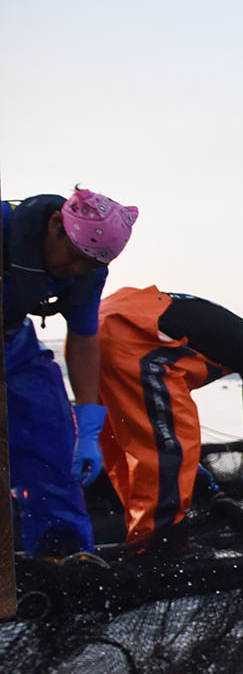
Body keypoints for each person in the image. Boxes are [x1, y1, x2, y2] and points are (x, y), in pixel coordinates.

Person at [95, 286, 243, 544]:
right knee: (168, 461)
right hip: (137, 340)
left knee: (127, 457)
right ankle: (159, 551)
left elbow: (157, 423)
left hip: (97, 328)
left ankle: (140, 536)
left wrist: (191, 467)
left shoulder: (219, 330)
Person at [1, 187, 138, 556]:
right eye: (75, 257)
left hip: (11, 339)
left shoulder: (88, 273)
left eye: (89, 265)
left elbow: (83, 339)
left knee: (52, 438)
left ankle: (62, 555)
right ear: (54, 224)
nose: (78, 270)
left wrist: (89, 425)